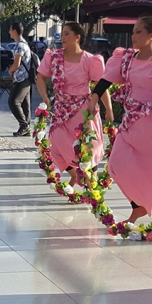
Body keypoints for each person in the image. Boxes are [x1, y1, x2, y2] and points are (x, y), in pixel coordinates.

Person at [87, 15, 152, 224]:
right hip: (131, 122)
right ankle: (138, 205)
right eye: (133, 32)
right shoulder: (126, 58)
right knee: (115, 164)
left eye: (138, 32)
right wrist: (94, 98)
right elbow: (106, 79)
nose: (133, 36)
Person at [35, 22, 112, 187]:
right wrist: (45, 98)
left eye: (67, 34)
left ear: (77, 37)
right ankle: (76, 175)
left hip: (82, 110)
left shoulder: (90, 60)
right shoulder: (53, 56)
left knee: (87, 147)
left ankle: (91, 184)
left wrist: (109, 110)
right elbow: (40, 77)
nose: (63, 37)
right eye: (62, 34)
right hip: (61, 110)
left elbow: (100, 87)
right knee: (56, 145)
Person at [8, 22, 33, 137]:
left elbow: (17, 64)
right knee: (24, 104)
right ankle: (26, 127)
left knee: (13, 101)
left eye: (10, 29)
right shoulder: (24, 44)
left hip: (22, 79)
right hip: (26, 78)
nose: (9, 32)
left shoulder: (20, 45)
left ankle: (24, 125)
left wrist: (11, 70)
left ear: (14, 30)